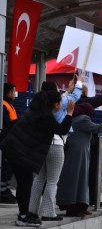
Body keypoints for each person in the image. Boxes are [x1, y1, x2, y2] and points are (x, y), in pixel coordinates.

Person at [0, 90, 74, 227]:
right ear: (56, 105)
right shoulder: (44, 117)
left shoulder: (37, 111)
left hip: (15, 149)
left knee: (26, 182)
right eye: (59, 103)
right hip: (18, 151)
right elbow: (62, 129)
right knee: (25, 183)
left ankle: (26, 214)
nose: (60, 105)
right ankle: (23, 217)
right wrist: (69, 113)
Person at [28, 75, 84, 221]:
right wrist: (79, 82)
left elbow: (64, 98)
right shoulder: (60, 104)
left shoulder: (39, 104)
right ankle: (47, 212)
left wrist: (68, 91)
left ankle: (32, 210)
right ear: (55, 97)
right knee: (52, 180)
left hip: (41, 144)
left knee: (39, 179)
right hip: (56, 144)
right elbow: (75, 96)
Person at [56, 103, 102, 217]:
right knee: (78, 179)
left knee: (77, 179)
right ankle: (75, 206)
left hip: (77, 152)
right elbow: (98, 128)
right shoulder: (83, 119)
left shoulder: (75, 118)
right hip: (78, 153)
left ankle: (77, 205)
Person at [76, 83, 102, 208]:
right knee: (89, 173)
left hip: (84, 145)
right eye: (85, 92)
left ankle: (89, 199)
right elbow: (96, 101)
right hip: (84, 146)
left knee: (90, 173)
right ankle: (86, 200)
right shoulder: (78, 104)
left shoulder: (75, 105)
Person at [0, 83, 18, 204]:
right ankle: (2, 191)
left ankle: (5, 189)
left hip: (11, 140)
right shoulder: (3, 105)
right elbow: (6, 123)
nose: (15, 94)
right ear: (8, 93)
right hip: (5, 140)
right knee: (5, 167)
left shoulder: (9, 104)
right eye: (14, 91)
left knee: (9, 167)